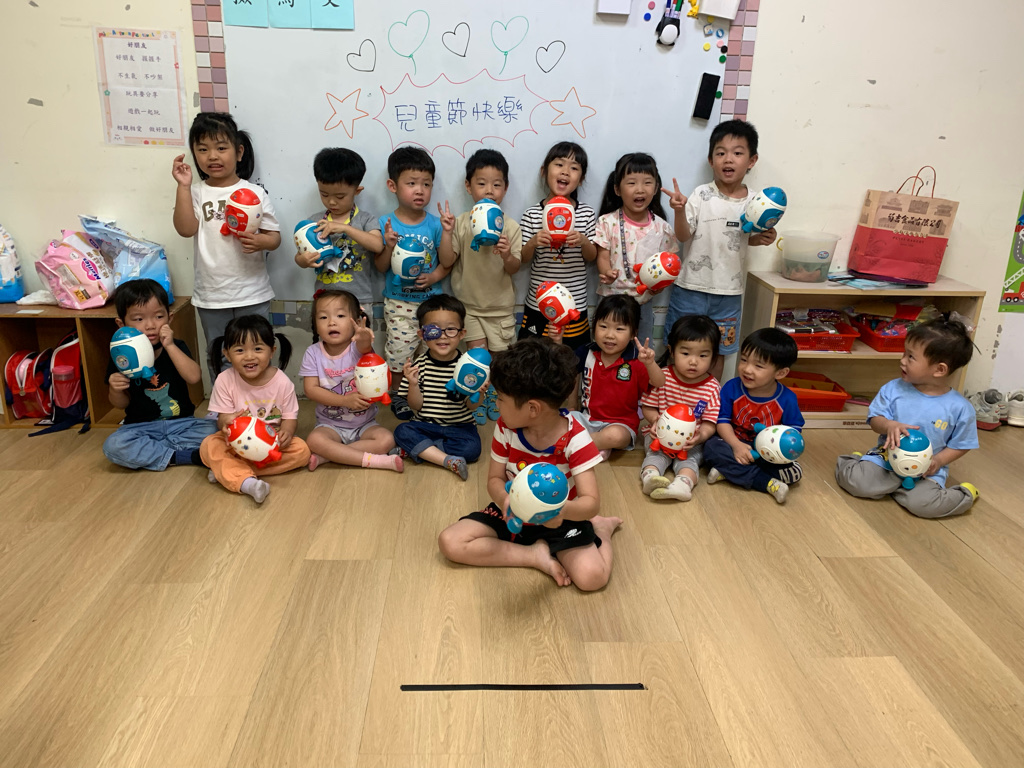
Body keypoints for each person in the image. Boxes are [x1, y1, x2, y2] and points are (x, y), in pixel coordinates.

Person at [437, 338, 621, 591]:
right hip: (513, 513)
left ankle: (602, 530)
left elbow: (591, 502)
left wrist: (560, 512)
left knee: (592, 578)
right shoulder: (506, 428)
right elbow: (494, 479)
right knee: (450, 542)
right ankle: (533, 555)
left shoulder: (576, 439)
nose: (496, 404)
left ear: (533, 408)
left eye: (500, 399)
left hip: (561, 519)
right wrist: (505, 500)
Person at [171, 112, 282, 384]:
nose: (213, 156)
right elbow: (185, 229)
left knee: (257, 353)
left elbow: (274, 238)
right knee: (219, 354)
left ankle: (260, 402)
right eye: (203, 149)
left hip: (252, 293)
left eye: (221, 148)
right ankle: (224, 404)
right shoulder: (196, 192)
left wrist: (261, 241)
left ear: (239, 152)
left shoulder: (255, 193)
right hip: (212, 295)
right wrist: (183, 187)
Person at [662, 119, 777, 381]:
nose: (728, 159)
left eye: (737, 153)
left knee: (719, 351)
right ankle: (673, 398)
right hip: (690, 288)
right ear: (711, 160)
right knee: (679, 346)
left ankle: (710, 401)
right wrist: (679, 211)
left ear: (752, 160)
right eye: (721, 152)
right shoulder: (701, 195)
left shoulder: (755, 202)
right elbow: (683, 236)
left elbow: (745, 237)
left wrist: (763, 237)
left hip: (729, 293)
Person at [835, 318, 980, 518]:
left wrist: (938, 461)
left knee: (922, 505)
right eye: (904, 353)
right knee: (858, 484)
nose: (902, 360)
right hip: (886, 459)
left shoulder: (960, 408)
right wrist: (888, 425)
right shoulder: (893, 389)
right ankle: (857, 462)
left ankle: (965, 494)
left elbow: (962, 444)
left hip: (925, 470)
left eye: (911, 357)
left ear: (939, 369)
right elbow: (875, 419)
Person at [442, 149, 523, 423]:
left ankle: (497, 397)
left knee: (500, 360)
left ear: (505, 188)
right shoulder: (462, 223)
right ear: (468, 186)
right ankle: (479, 396)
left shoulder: (510, 226)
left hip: (500, 308)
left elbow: (515, 268)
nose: (489, 190)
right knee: (477, 359)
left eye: (496, 184)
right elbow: (447, 260)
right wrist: (447, 232)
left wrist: (507, 254)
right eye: (481, 183)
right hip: (469, 307)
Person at [102, 279, 216, 470]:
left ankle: (157, 453)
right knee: (114, 445)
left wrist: (169, 346)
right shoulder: (121, 356)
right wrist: (115, 389)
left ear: (170, 318)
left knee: (216, 429)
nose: (150, 325)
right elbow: (121, 404)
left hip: (182, 424)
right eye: (139, 319)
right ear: (121, 324)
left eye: (158, 316)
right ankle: (182, 455)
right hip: (140, 427)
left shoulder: (175, 347)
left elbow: (194, 377)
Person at [376, 146, 453, 419]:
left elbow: (448, 261)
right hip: (399, 303)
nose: (420, 190)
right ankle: (398, 394)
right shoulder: (385, 223)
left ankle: (426, 394)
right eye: (411, 183)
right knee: (400, 354)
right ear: (392, 186)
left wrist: (434, 275)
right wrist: (388, 245)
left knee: (432, 352)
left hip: (431, 305)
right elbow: (380, 267)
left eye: (426, 184)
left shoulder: (435, 224)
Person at [200, 315, 310, 503]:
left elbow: (290, 418)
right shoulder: (225, 380)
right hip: (236, 444)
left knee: (302, 451)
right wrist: (226, 421)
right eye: (240, 350)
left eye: (258, 349)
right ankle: (246, 482)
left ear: (272, 351)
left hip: (270, 445)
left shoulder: (282, 382)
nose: (249, 356)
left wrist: (287, 432)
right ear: (227, 354)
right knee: (209, 445)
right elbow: (222, 419)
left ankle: (229, 472)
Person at [302, 289, 402, 473]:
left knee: (387, 439)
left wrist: (364, 338)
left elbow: (365, 347)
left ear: (355, 321)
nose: (331, 322)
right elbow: (311, 390)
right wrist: (344, 401)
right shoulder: (313, 353)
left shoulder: (358, 348)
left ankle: (331, 455)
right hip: (330, 425)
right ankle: (376, 461)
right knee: (314, 440)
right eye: (323, 317)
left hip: (365, 425)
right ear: (315, 324)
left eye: (340, 316)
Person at [702, 327, 804, 503]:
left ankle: (729, 472)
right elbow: (722, 422)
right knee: (711, 447)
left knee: (793, 473)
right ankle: (765, 482)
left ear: (780, 373)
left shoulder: (787, 399)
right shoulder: (731, 388)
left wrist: (779, 450)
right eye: (743, 360)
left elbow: (793, 432)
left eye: (758, 366)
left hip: (766, 452)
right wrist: (736, 445)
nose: (747, 369)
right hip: (733, 443)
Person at [392, 295, 482, 480]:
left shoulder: (467, 366)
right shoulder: (419, 365)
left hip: (460, 427)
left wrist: (478, 392)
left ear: (462, 334)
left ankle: (422, 450)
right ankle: (446, 460)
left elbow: (471, 406)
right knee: (402, 431)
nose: (443, 335)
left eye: (451, 329)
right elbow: (416, 406)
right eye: (433, 330)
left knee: (472, 449)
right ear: (422, 335)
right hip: (425, 425)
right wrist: (413, 384)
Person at [518, 142, 598, 350]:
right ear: (544, 171)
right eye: (559, 164)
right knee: (533, 356)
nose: (565, 171)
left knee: (571, 357)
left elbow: (592, 257)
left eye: (574, 168)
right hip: (538, 303)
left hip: (574, 304)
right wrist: (533, 242)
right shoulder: (532, 214)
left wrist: (583, 241)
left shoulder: (586, 214)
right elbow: (522, 258)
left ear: (581, 178)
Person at [565, 295, 665, 458]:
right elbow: (569, 372)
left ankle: (575, 444)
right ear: (594, 326)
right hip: (586, 418)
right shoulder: (587, 352)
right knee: (558, 420)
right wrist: (571, 405)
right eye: (603, 326)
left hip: (621, 425)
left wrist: (650, 363)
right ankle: (597, 445)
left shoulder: (637, 359)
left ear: (633, 333)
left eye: (619, 329)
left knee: (615, 437)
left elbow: (659, 382)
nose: (610, 335)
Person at [595, 152, 678, 345]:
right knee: (607, 348)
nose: (640, 189)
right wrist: (606, 272)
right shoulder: (607, 222)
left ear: (656, 188)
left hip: (643, 304)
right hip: (610, 300)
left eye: (647, 183)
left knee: (642, 351)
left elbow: (669, 263)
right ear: (617, 189)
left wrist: (659, 286)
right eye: (631, 183)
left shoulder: (662, 228)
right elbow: (602, 256)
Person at [639, 315, 722, 501]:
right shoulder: (662, 377)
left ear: (713, 357)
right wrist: (654, 420)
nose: (693, 361)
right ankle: (650, 478)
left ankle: (683, 485)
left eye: (703, 355)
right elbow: (648, 406)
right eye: (685, 353)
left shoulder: (712, 387)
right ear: (672, 351)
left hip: (691, 442)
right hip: (660, 437)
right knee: (654, 456)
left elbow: (710, 422)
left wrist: (701, 436)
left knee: (689, 461)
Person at [293, 148, 383, 312]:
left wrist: (345, 228)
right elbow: (299, 256)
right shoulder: (313, 222)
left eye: (340, 197)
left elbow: (377, 245)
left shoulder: (365, 219)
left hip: (359, 300)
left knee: (360, 330)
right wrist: (303, 261)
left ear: (357, 191)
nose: (332, 202)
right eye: (324, 194)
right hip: (324, 300)